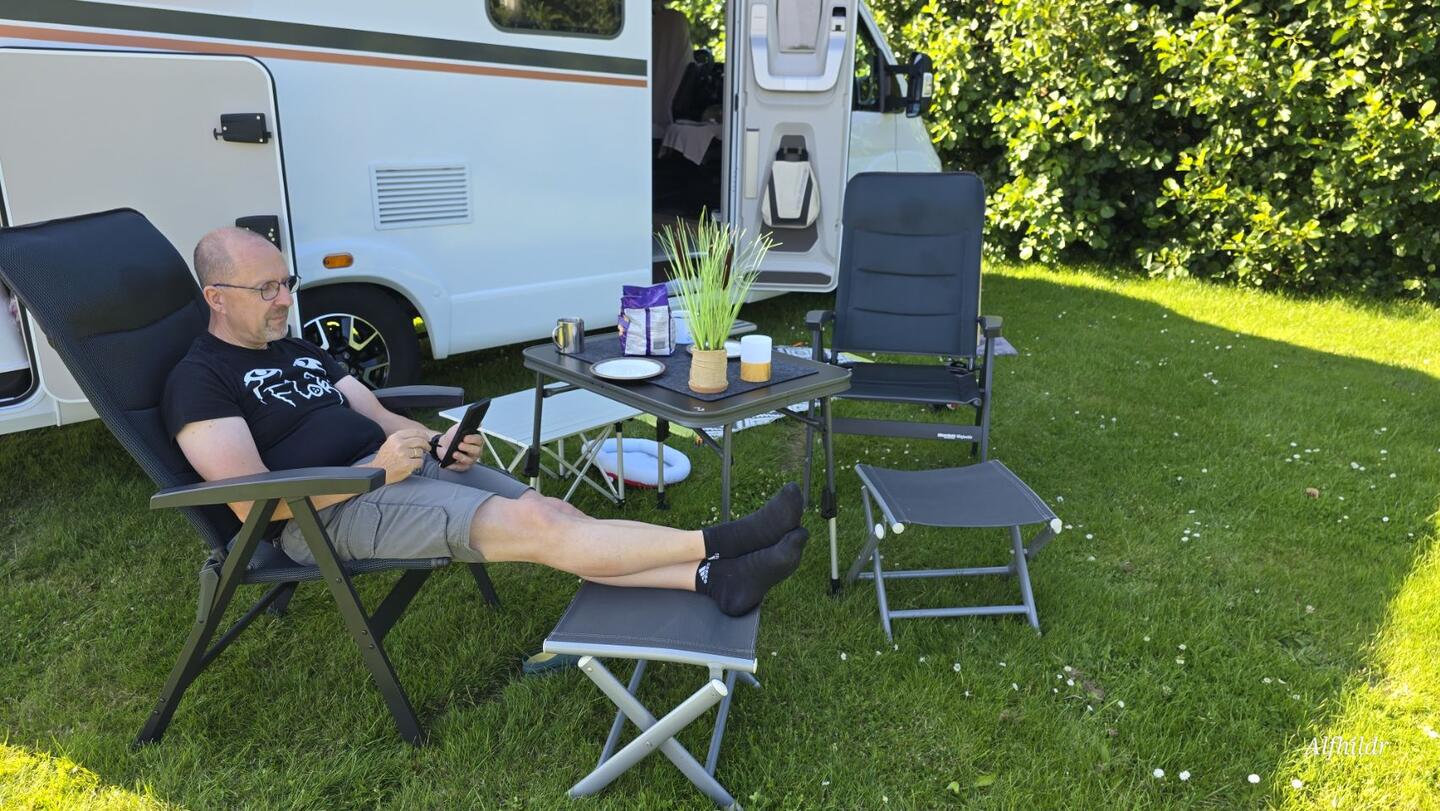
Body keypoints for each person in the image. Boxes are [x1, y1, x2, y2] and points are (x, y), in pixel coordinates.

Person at [161, 228, 807, 617]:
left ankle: (714, 579)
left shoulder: (296, 348)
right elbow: (253, 505)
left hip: (394, 471)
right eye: (266, 290)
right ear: (216, 298)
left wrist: (433, 440)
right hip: (325, 515)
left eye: (286, 283)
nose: (285, 300)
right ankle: (722, 542)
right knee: (541, 528)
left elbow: (375, 412)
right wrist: (373, 472)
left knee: (550, 510)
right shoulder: (199, 381)